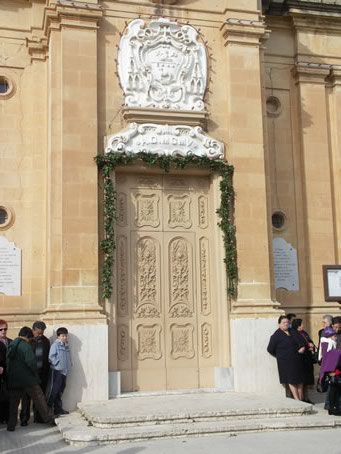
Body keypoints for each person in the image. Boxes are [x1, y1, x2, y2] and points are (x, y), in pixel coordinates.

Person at [6, 326, 52, 431]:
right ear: (27, 336)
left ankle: (11, 425)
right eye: (30, 338)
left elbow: (7, 361)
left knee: (14, 403)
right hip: (27, 379)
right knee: (39, 397)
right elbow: (31, 363)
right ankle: (48, 417)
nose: (31, 340)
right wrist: (36, 376)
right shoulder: (26, 347)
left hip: (13, 379)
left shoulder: (12, 344)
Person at [267, 315, 306, 400]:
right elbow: (270, 349)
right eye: (284, 323)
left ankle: (301, 398)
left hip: (297, 360)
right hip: (286, 362)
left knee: (300, 380)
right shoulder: (276, 335)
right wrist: (281, 355)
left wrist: (302, 347)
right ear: (279, 324)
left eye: (287, 322)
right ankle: (297, 399)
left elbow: (302, 341)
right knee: (291, 380)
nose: (286, 324)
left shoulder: (292, 331)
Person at [20, 321, 51, 426]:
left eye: (42, 333)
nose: (40, 335)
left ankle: (39, 418)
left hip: (41, 373)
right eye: (38, 333)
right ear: (33, 330)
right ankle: (24, 418)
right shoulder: (27, 341)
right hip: (28, 374)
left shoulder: (46, 341)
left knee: (39, 397)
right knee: (26, 397)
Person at [47, 327, 71, 416]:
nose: (64, 337)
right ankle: (49, 410)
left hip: (64, 371)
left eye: (66, 336)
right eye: (62, 336)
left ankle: (58, 409)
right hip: (57, 371)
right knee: (54, 391)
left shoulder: (66, 345)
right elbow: (51, 357)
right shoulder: (55, 345)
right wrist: (57, 364)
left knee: (60, 390)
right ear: (58, 337)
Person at [291, 319, 316, 403]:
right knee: (302, 381)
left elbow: (309, 340)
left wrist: (311, 344)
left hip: (308, 359)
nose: (303, 326)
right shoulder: (294, 333)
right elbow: (298, 344)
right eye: (301, 324)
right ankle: (302, 399)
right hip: (302, 360)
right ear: (298, 326)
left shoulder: (304, 332)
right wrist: (307, 345)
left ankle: (306, 398)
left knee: (308, 381)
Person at [0, 319, 12, 424]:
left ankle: (7, 417)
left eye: (5, 329)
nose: (3, 331)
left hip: (9, 374)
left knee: (8, 397)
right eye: (1, 329)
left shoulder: (11, 342)